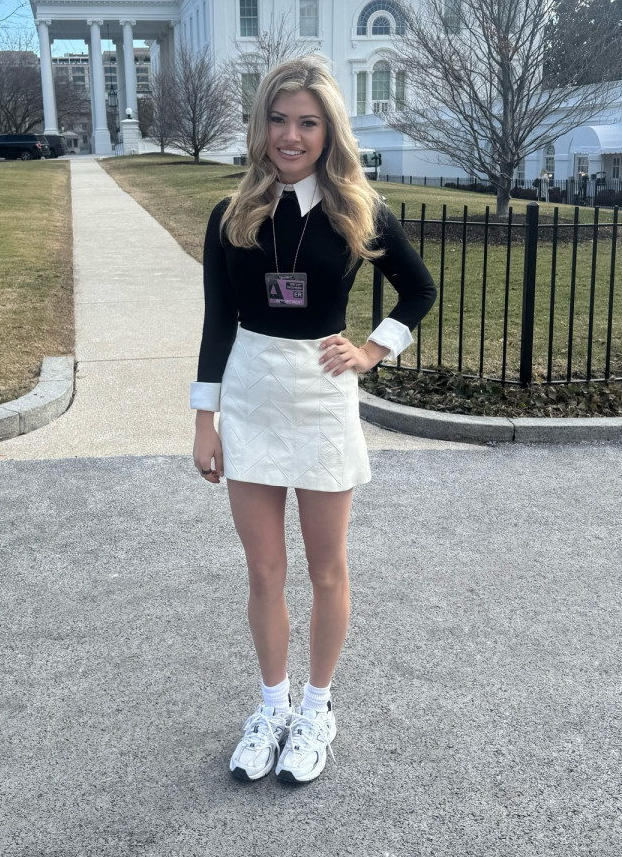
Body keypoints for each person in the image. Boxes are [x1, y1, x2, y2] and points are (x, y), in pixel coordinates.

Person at [190, 57, 436, 784]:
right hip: (251, 396)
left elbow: (419, 291)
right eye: (278, 119)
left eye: (307, 122)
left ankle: (316, 709)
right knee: (265, 569)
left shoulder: (359, 209)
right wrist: (204, 420)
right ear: (261, 126)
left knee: (327, 569)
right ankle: (272, 709)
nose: (290, 136)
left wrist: (372, 350)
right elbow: (216, 322)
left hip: (323, 399)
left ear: (329, 132)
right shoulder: (230, 215)